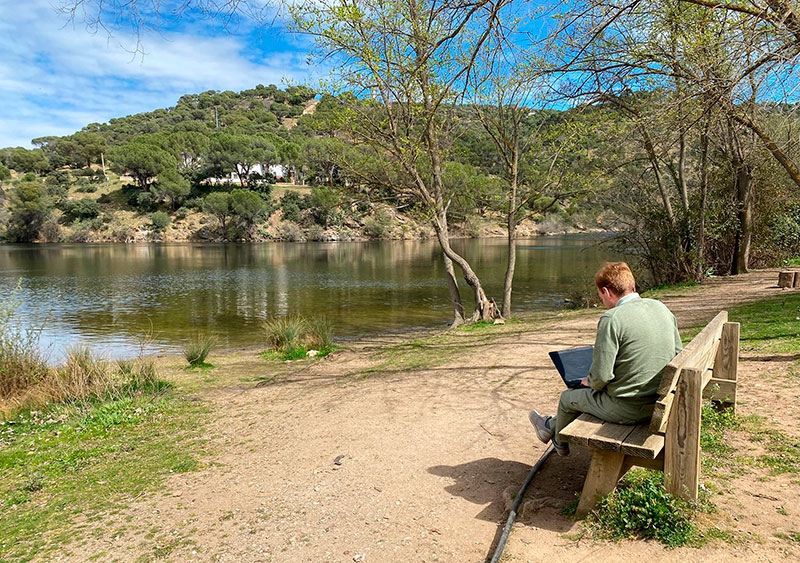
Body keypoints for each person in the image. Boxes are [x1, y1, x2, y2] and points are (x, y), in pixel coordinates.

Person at [529, 261, 682, 456]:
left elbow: (601, 377)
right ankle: (549, 426)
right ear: (632, 285)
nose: (601, 299)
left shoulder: (612, 319)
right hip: (661, 401)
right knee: (583, 394)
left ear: (606, 291)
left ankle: (557, 441)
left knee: (568, 398)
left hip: (631, 409)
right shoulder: (660, 307)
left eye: (600, 295)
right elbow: (678, 351)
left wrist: (589, 381)